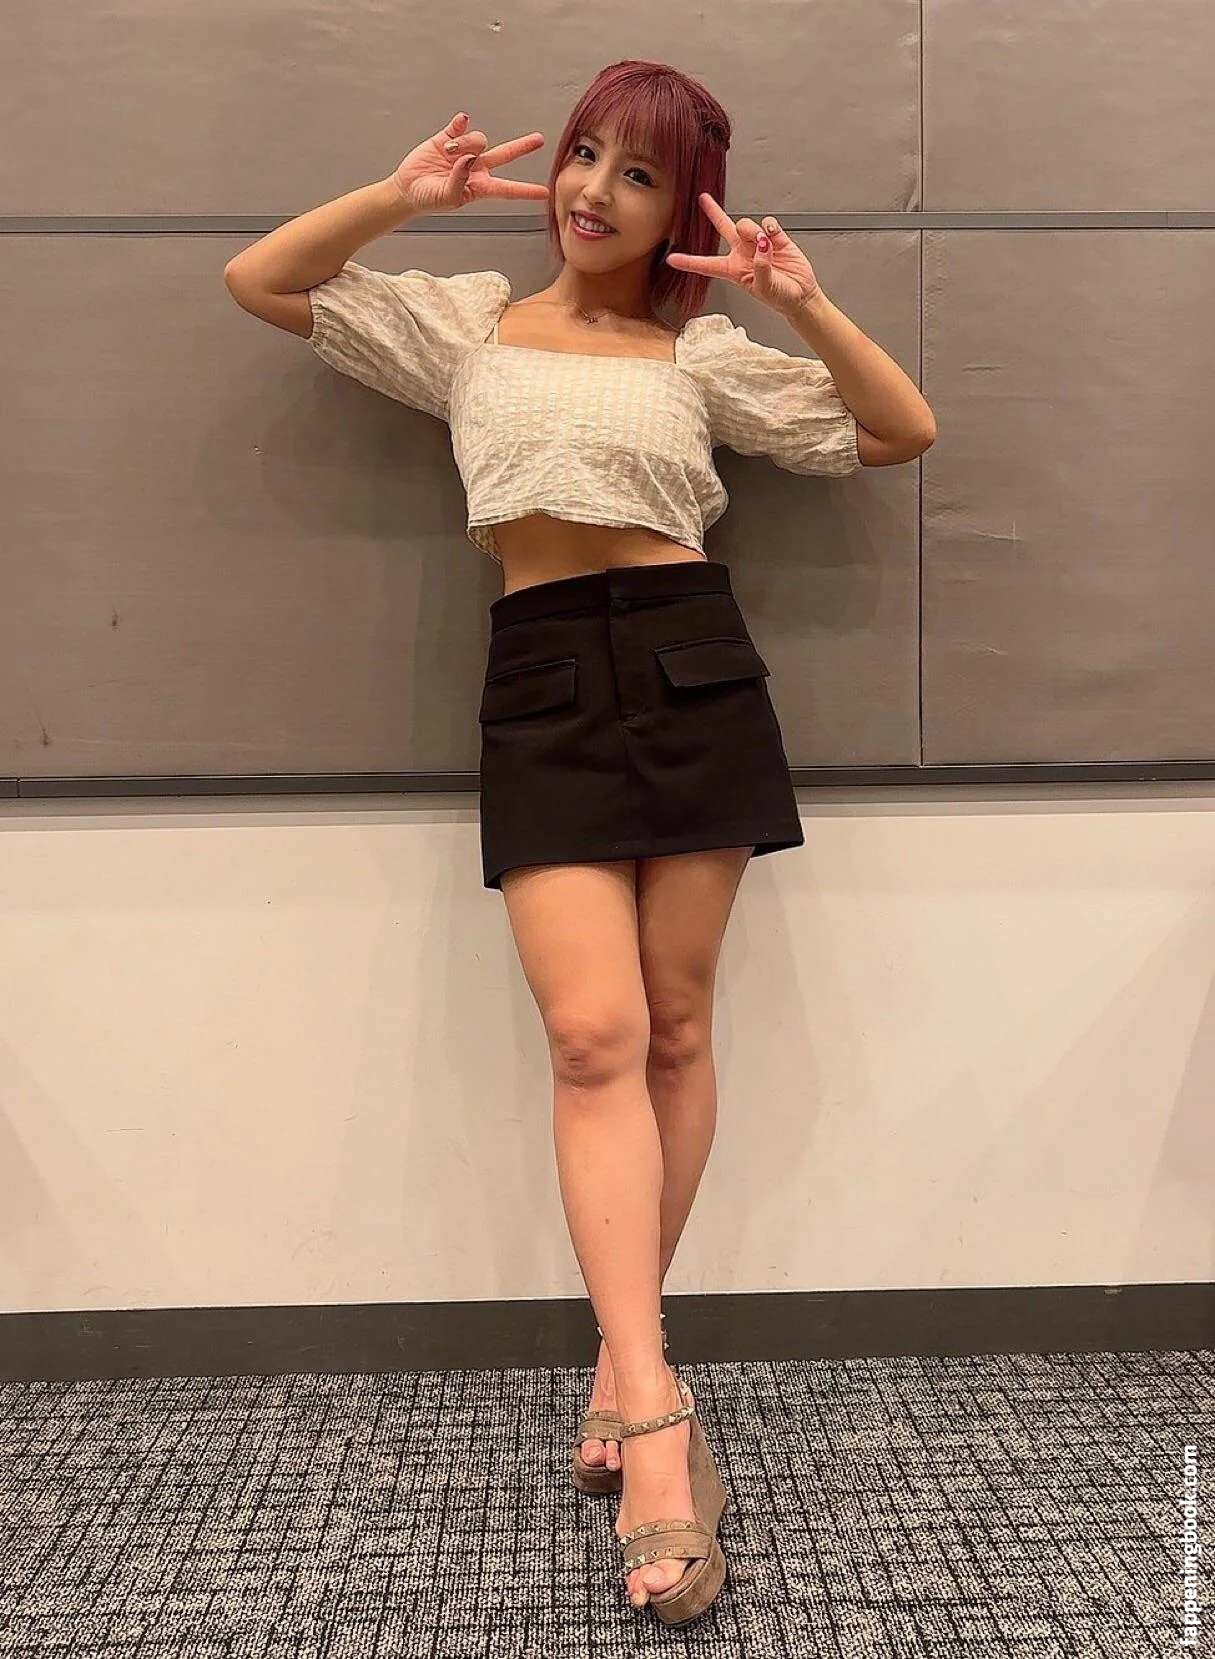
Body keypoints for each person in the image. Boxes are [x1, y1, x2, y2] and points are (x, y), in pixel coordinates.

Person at [224, 58, 935, 1625]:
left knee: (674, 1026)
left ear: (683, 210)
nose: (594, 190)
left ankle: (627, 1376)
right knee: (591, 1034)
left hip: (693, 661)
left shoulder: (705, 354)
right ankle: (659, 1408)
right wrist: (399, 200)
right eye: (588, 155)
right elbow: (262, 280)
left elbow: (901, 429)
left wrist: (802, 302)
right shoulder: (467, 324)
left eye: (638, 173)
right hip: (542, 674)